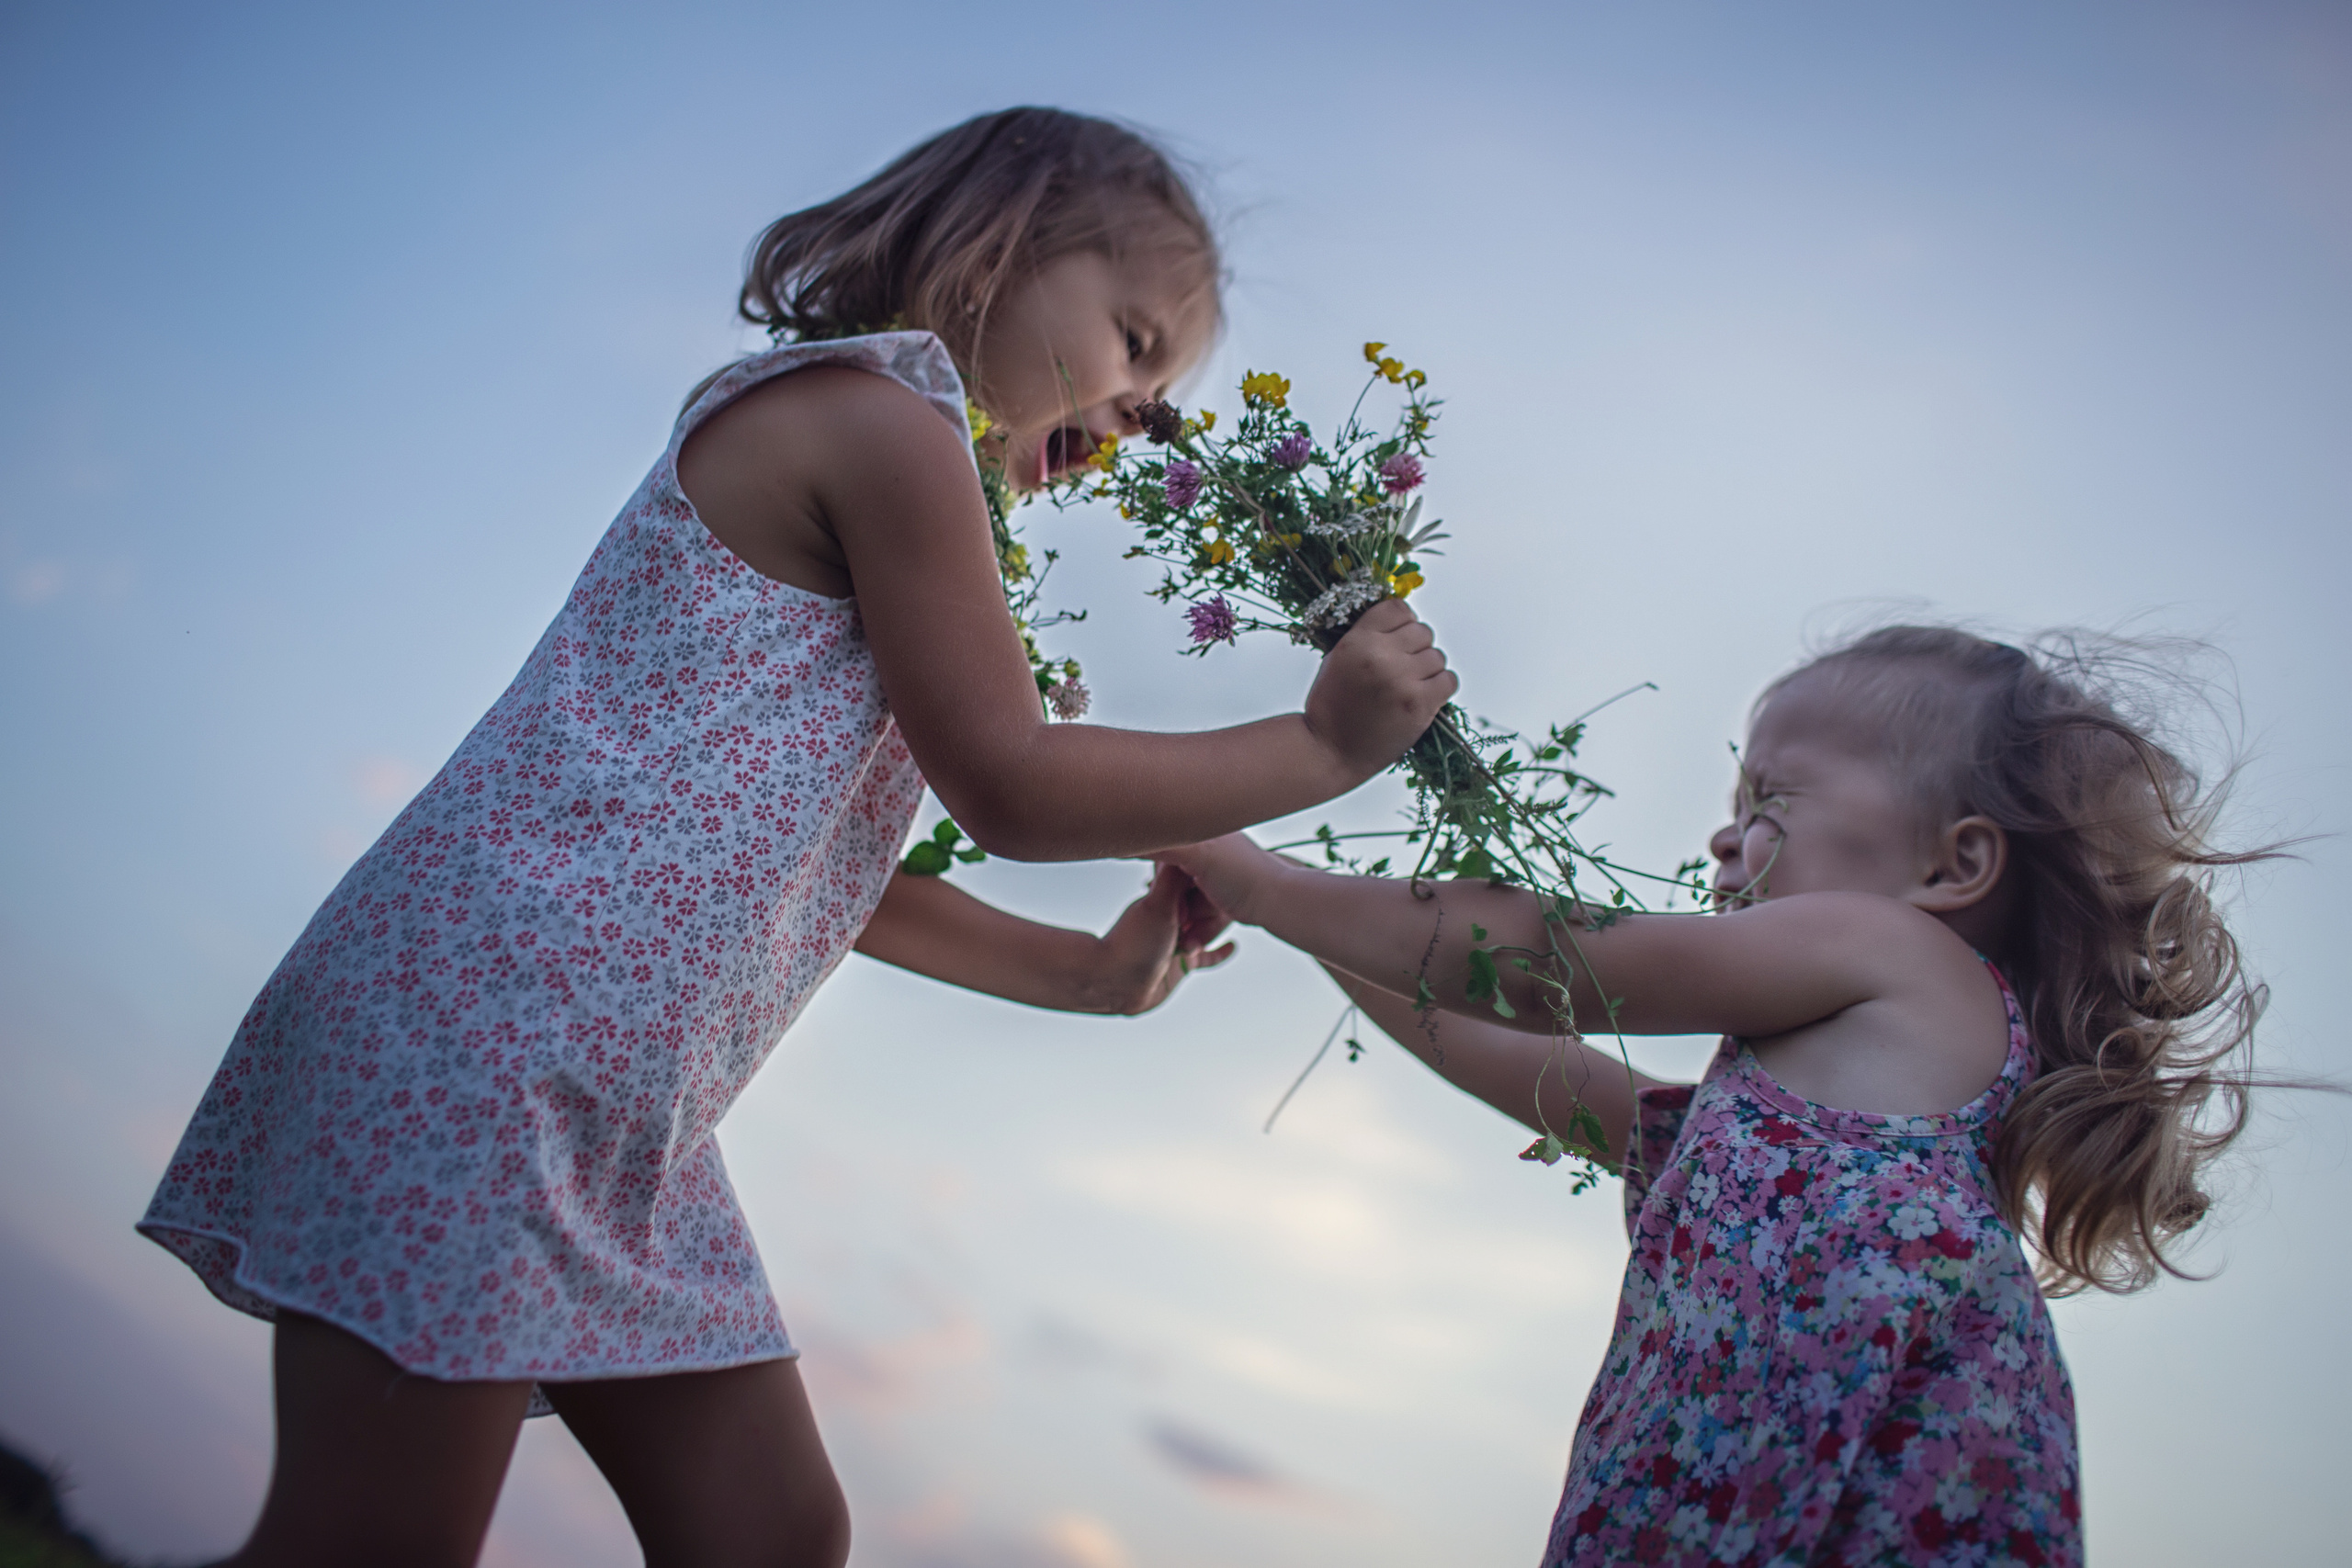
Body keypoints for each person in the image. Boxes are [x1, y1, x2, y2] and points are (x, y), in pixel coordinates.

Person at [139, 107, 1456, 1568]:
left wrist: (1090, 974)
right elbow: (1012, 782)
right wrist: (1321, 747)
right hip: (498, 1031)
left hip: (606, 1096)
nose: (1143, 411)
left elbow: (825, 879)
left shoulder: (894, 455)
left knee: (770, 1529)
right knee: (367, 1538)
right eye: (1137, 340)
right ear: (1000, 247)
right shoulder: (884, 428)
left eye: (1165, 387)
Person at [1158, 626, 2275, 1568]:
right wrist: (1284, 915)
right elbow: (1519, 1057)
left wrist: (1271, 882)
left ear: (1951, 866)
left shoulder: (1898, 954)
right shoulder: (1781, 1124)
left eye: (1770, 796)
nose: (1723, 833)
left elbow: (1547, 966)